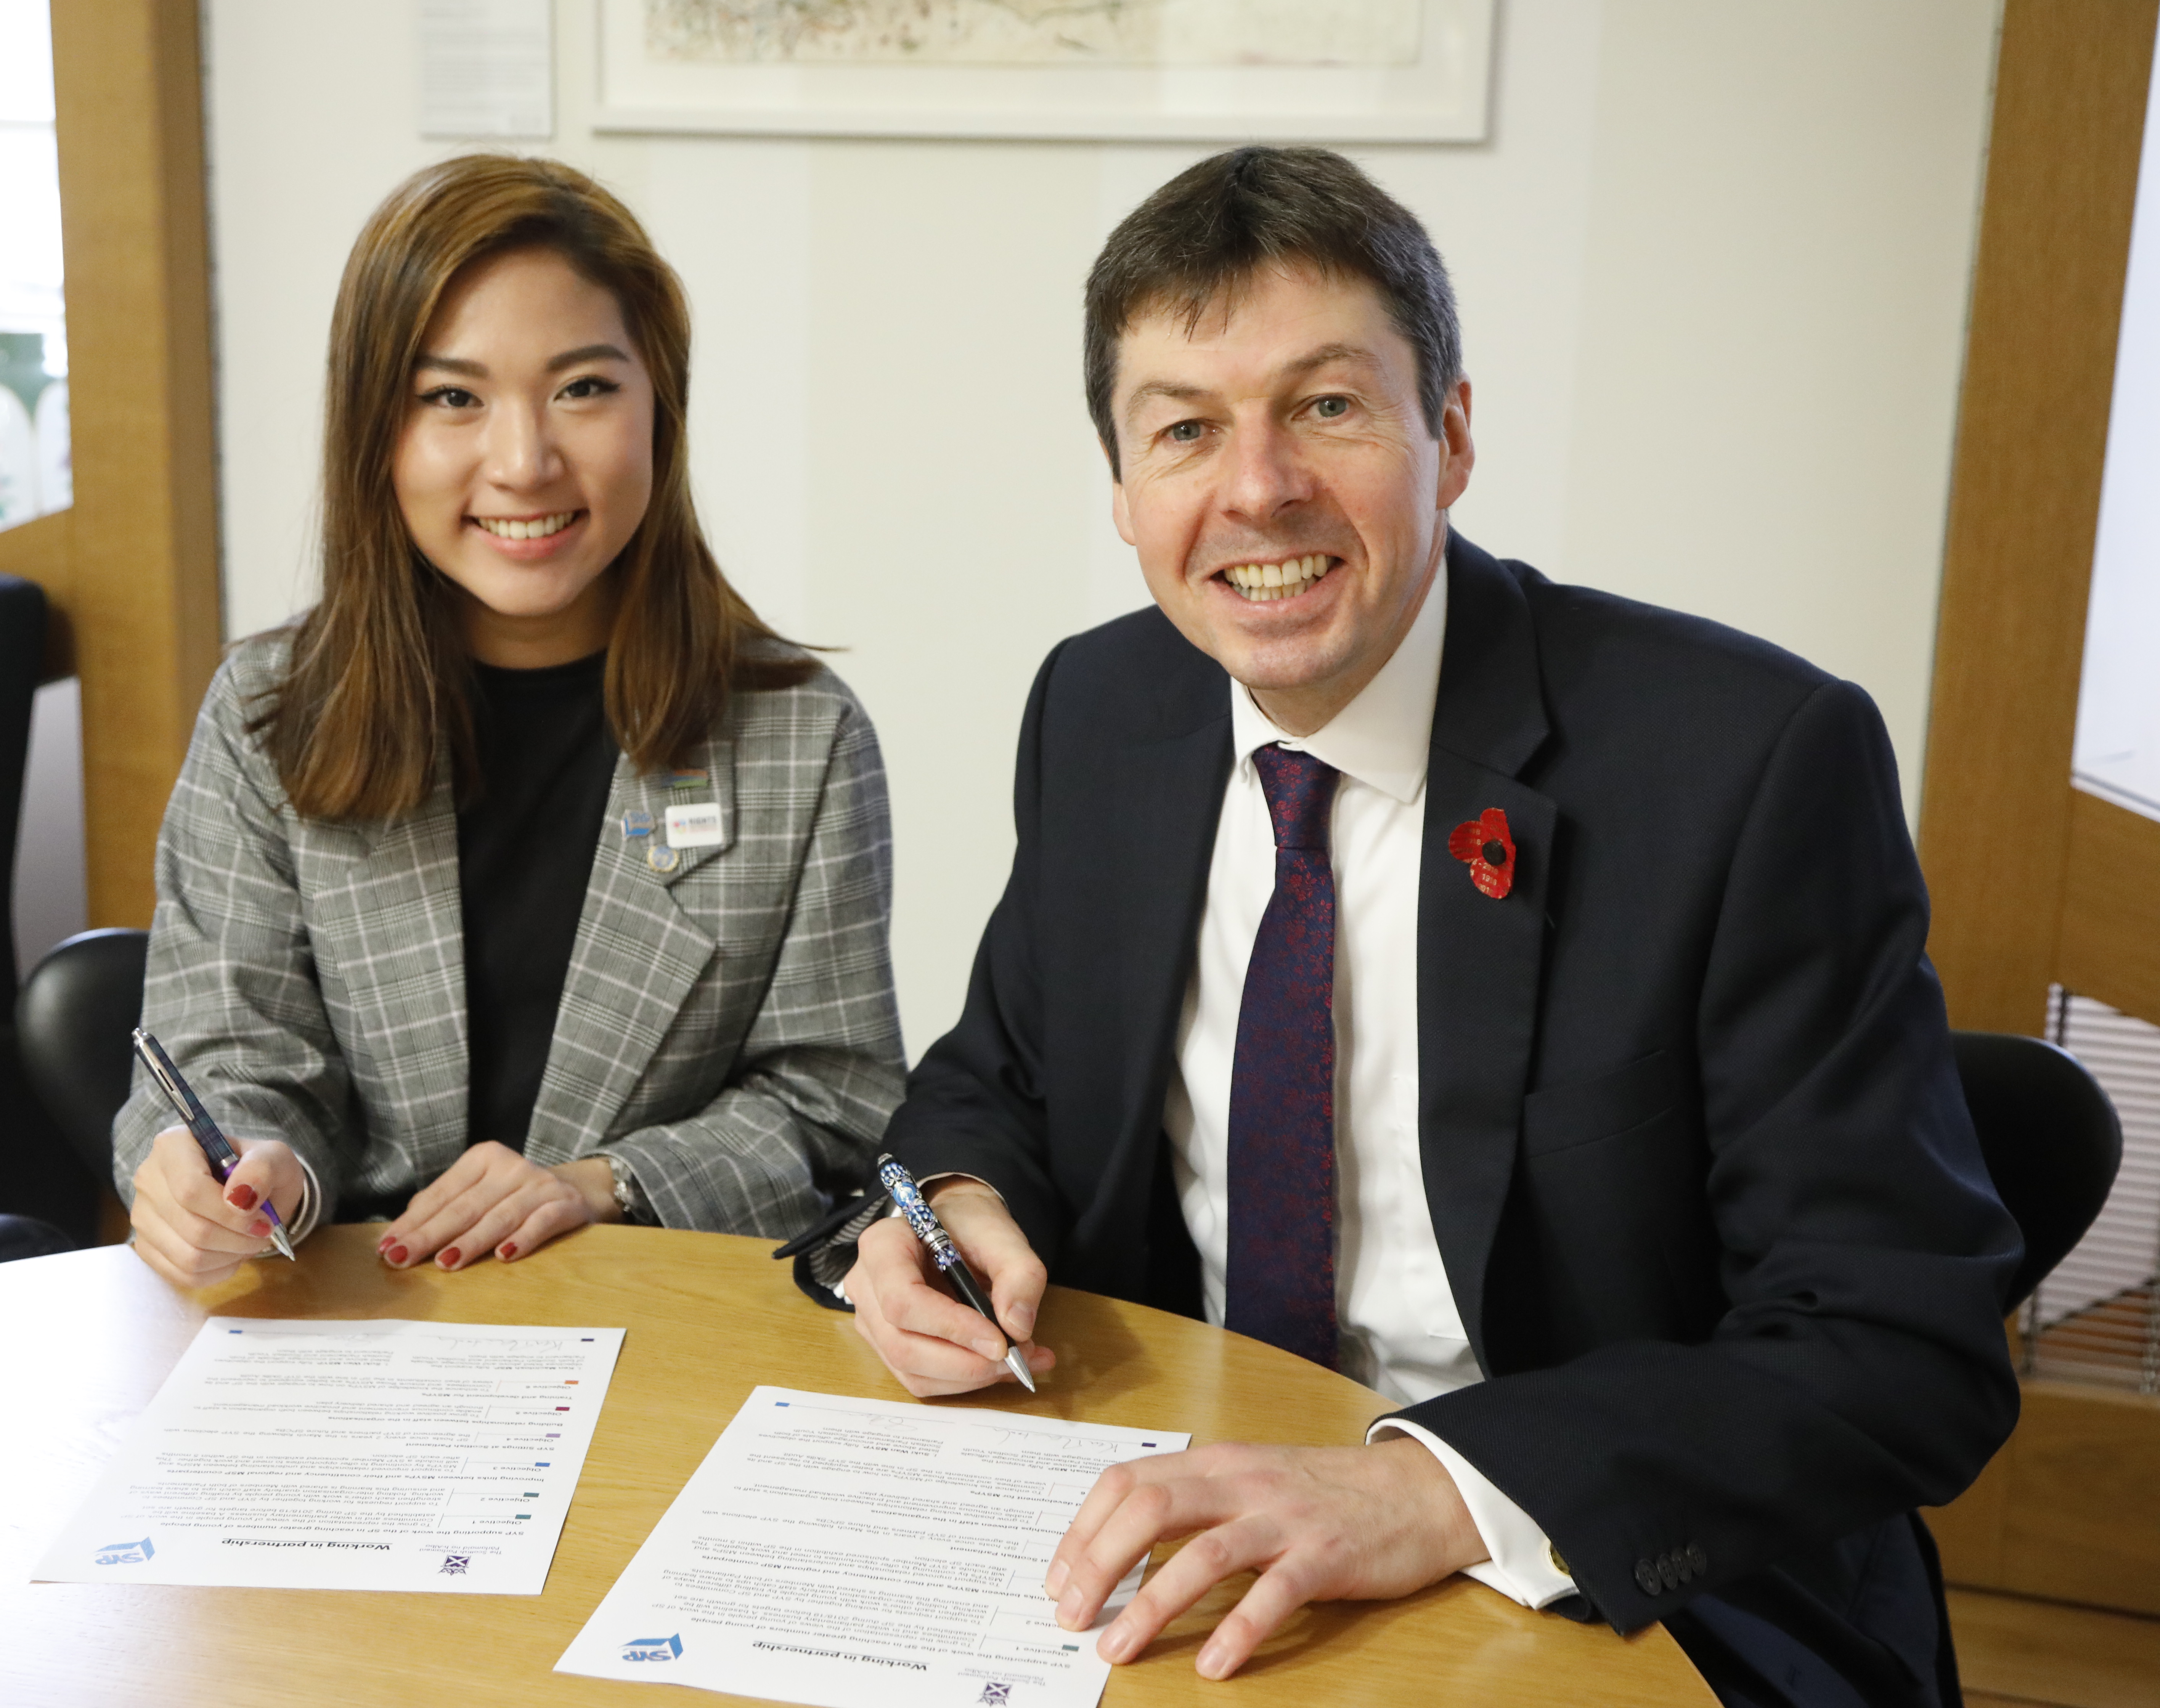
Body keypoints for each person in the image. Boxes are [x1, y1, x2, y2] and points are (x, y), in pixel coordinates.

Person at [832, 147, 2018, 1708]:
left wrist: (1432, 1488)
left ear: (1450, 434)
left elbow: (1900, 1339)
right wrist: (951, 1206)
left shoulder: (1744, 765)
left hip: (1603, 1577)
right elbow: (1002, 1072)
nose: (1258, 489)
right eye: (1185, 430)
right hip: (1187, 1529)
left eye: (1328, 406)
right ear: (1122, 491)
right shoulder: (1104, 707)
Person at [116, 155, 903, 1290]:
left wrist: (605, 1181)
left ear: (661, 407)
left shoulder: (800, 738)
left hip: (654, 1311)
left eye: (583, 389)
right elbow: (227, 1052)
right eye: (454, 399)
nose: (525, 463)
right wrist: (244, 1167)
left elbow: (837, 1110)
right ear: (375, 430)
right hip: (347, 1315)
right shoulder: (268, 714)